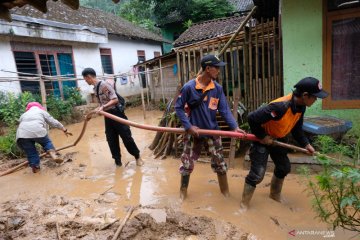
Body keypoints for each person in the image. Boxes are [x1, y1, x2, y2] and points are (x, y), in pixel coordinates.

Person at [240, 77, 328, 210]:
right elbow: (252, 118)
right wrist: (263, 136)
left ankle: (274, 195)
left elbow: (297, 129)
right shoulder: (280, 107)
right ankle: (244, 204)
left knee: (284, 167)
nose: (316, 100)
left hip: (278, 139)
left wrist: (306, 144)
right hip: (262, 140)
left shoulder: (301, 107)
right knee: (257, 174)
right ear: (305, 95)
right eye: (315, 97)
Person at [175, 54, 245, 200]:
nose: (219, 71)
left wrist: (234, 127)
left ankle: (225, 194)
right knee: (187, 163)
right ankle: (183, 194)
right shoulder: (189, 87)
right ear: (208, 69)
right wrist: (188, 127)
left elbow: (224, 110)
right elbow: (179, 108)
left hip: (212, 132)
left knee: (220, 163)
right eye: (217, 68)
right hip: (193, 133)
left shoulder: (217, 89)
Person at [82, 68, 144, 167]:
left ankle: (137, 156)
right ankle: (118, 162)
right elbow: (103, 104)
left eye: (85, 79)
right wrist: (91, 114)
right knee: (111, 139)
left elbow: (114, 100)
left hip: (116, 114)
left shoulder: (104, 85)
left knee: (126, 136)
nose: (85, 81)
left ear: (89, 77)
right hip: (108, 117)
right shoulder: (95, 88)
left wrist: (103, 107)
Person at [16, 102, 72, 173]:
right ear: (39, 107)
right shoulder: (41, 112)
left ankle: (35, 167)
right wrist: (64, 129)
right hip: (38, 130)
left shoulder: (23, 115)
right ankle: (53, 154)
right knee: (46, 142)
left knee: (31, 153)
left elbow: (20, 125)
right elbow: (53, 122)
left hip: (22, 135)